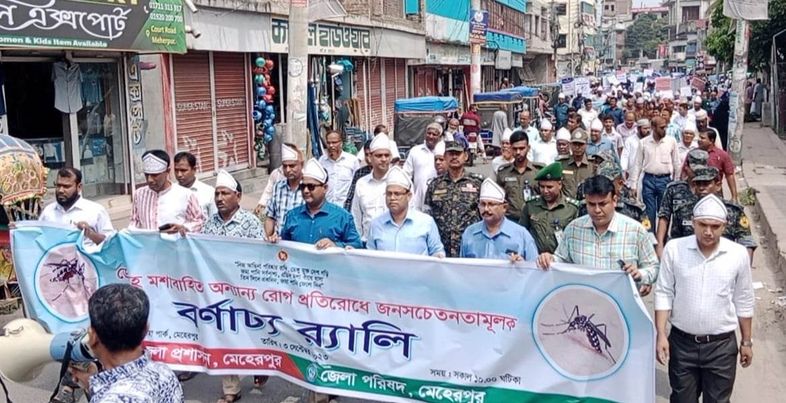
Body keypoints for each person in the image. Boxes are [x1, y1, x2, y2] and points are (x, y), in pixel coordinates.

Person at [654, 194, 754, 403]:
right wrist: (661, 334)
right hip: (682, 344)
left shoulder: (737, 254)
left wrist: (746, 342)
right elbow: (664, 292)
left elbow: (744, 299)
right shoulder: (675, 249)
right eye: (703, 225)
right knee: (682, 398)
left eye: (715, 226)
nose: (708, 231)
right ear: (693, 222)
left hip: (721, 347)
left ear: (724, 226)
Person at [202, 171, 266, 403]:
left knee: (252, 333)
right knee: (224, 335)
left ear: (237, 196)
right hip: (219, 292)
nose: (220, 198)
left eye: (225, 193)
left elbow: (260, 256)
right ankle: (231, 388)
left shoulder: (250, 222)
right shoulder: (210, 223)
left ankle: (261, 365)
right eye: (217, 194)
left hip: (246, 291)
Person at [537, 175, 658, 296]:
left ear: (614, 200)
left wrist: (639, 274)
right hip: (583, 302)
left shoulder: (635, 231)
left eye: (602, 204)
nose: (597, 210)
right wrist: (549, 259)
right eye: (591, 204)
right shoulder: (573, 229)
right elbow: (561, 260)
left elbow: (653, 267)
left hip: (622, 303)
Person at [68, 284, 183, 402]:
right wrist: (95, 385)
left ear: (93, 337)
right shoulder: (164, 372)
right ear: (146, 330)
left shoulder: (113, 399)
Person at [665, 167, 756, 258]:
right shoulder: (683, 210)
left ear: (718, 185)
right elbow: (676, 243)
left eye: (706, 184)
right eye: (698, 184)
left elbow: (747, 243)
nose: (701, 188)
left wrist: (744, 265)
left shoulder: (734, 211)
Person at [279, 158, 363, 249]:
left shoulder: (342, 217)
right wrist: (275, 241)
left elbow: (357, 246)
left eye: (311, 186)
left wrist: (335, 245)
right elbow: (283, 247)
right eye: (303, 186)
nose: (306, 191)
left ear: (325, 188)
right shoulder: (292, 215)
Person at [367, 166, 445, 257]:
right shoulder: (376, 224)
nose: (392, 198)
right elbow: (369, 257)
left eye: (397, 194)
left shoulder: (426, 222)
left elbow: (437, 252)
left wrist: (438, 255)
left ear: (409, 196)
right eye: (389, 194)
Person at [424, 141, 484, 257]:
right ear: (445, 157)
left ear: (465, 156)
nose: (454, 157)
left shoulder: (478, 183)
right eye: (451, 154)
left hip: (471, 246)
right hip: (441, 248)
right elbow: (427, 217)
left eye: (458, 153)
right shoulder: (435, 185)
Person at [460, 178, 538, 261]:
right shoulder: (470, 233)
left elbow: (533, 266)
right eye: (482, 204)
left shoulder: (521, 235)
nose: (486, 209)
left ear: (504, 207)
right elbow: (462, 266)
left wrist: (522, 264)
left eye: (491, 204)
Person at [129, 150, 204, 234]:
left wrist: (184, 228)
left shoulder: (186, 195)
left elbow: (200, 222)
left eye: (155, 175)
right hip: (148, 242)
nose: (150, 180)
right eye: (147, 175)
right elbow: (134, 223)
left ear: (167, 171)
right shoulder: (139, 194)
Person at [40, 167, 113, 248]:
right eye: (58, 185)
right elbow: (39, 240)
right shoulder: (48, 212)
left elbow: (111, 244)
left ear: (79, 187)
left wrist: (90, 233)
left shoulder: (95, 211)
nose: (60, 190)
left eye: (66, 186)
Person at [630, 117, 681, 230]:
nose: (664, 130)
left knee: (664, 212)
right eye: (661, 128)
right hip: (648, 180)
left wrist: (676, 182)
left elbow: (676, 163)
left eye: (665, 127)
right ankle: (650, 236)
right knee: (649, 212)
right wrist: (633, 185)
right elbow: (637, 164)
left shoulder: (671, 141)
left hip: (665, 180)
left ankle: (662, 237)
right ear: (653, 127)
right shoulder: (644, 142)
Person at [656, 149, 710, 256]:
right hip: (678, 245)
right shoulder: (674, 189)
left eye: (701, 170)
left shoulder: (710, 191)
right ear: (687, 167)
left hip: (703, 246)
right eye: (695, 170)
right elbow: (664, 217)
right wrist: (660, 244)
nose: (697, 173)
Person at [518, 163, 579, 254]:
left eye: (550, 187)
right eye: (542, 187)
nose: (545, 191)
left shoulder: (572, 208)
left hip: (559, 258)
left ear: (560, 185)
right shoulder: (530, 205)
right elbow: (521, 232)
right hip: (534, 257)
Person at [352, 133, 392, 242]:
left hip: (392, 245)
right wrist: (358, 242)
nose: (383, 159)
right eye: (379, 156)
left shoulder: (399, 182)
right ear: (370, 157)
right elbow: (356, 216)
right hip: (367, 243)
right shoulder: (361, 183)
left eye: (386, 155)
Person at [496, 130, 540, 222]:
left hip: (533, 220)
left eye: (521, 148)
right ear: (510, 149)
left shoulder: (538, 171)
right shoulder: (503, 172)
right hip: (510, 220)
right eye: (515, 149)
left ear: (528, 148)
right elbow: (498, 199)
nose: (518, 152)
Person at [264, 144, 304, 240]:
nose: (288, 170)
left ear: (301, 164)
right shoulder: (278, 187)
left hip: (301, 243)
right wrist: (268, 236)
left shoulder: (309, 188)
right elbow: (270, 217)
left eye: (292, 166)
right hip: (280, 242)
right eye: (285, 166)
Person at [404, 123, 442, 211]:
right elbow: (406, 174)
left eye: (434, 134)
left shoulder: (443, 152)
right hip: (418, 200)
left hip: (439, 199)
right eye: (429, 133)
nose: (431, 136)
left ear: (440, 137)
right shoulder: (415, 151)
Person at [319, 130, 359, 207]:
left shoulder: (352, 161)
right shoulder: (322, 161)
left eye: (334, 142)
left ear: (341, 143)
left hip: (345, 206)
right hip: (327, 206)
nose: (331, 145)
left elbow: (357, 184)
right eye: (328, 143)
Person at [173, 151, 216, 219]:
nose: (179, 175)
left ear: (194, 170)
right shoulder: (171, 191)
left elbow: (215, 219)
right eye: (176, 170)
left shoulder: (209, 192)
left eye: (183, 170)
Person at [699, 129, 738, 202]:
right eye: (699, 137)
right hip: (698, 192)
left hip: (715, 193)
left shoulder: (722, 155)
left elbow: (729, 175)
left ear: (711, 141)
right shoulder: (693, 154)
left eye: (702, 138)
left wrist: (734, 197)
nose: (699, 140)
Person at [557, 128, 594, 199]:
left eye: (580, 144)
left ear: (586, 145)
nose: (577, 147)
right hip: (567, 203)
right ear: (570, 145)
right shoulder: (562, 164)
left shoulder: (592, 165)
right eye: (575, 144)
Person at [343, 140, 373, 210]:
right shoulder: (359, 173)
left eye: (371, 154)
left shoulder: (388, 174)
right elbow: (351, 196)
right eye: (366, 155)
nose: (368, 158)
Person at [621, 118, 650, 185]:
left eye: (649, 128)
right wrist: (624, 169)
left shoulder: (651, 141)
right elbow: (625, 156)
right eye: (645, 128)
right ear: (638, 129)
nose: (648, 130)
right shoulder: (630, 140)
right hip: (632, 171)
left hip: (647, 173)